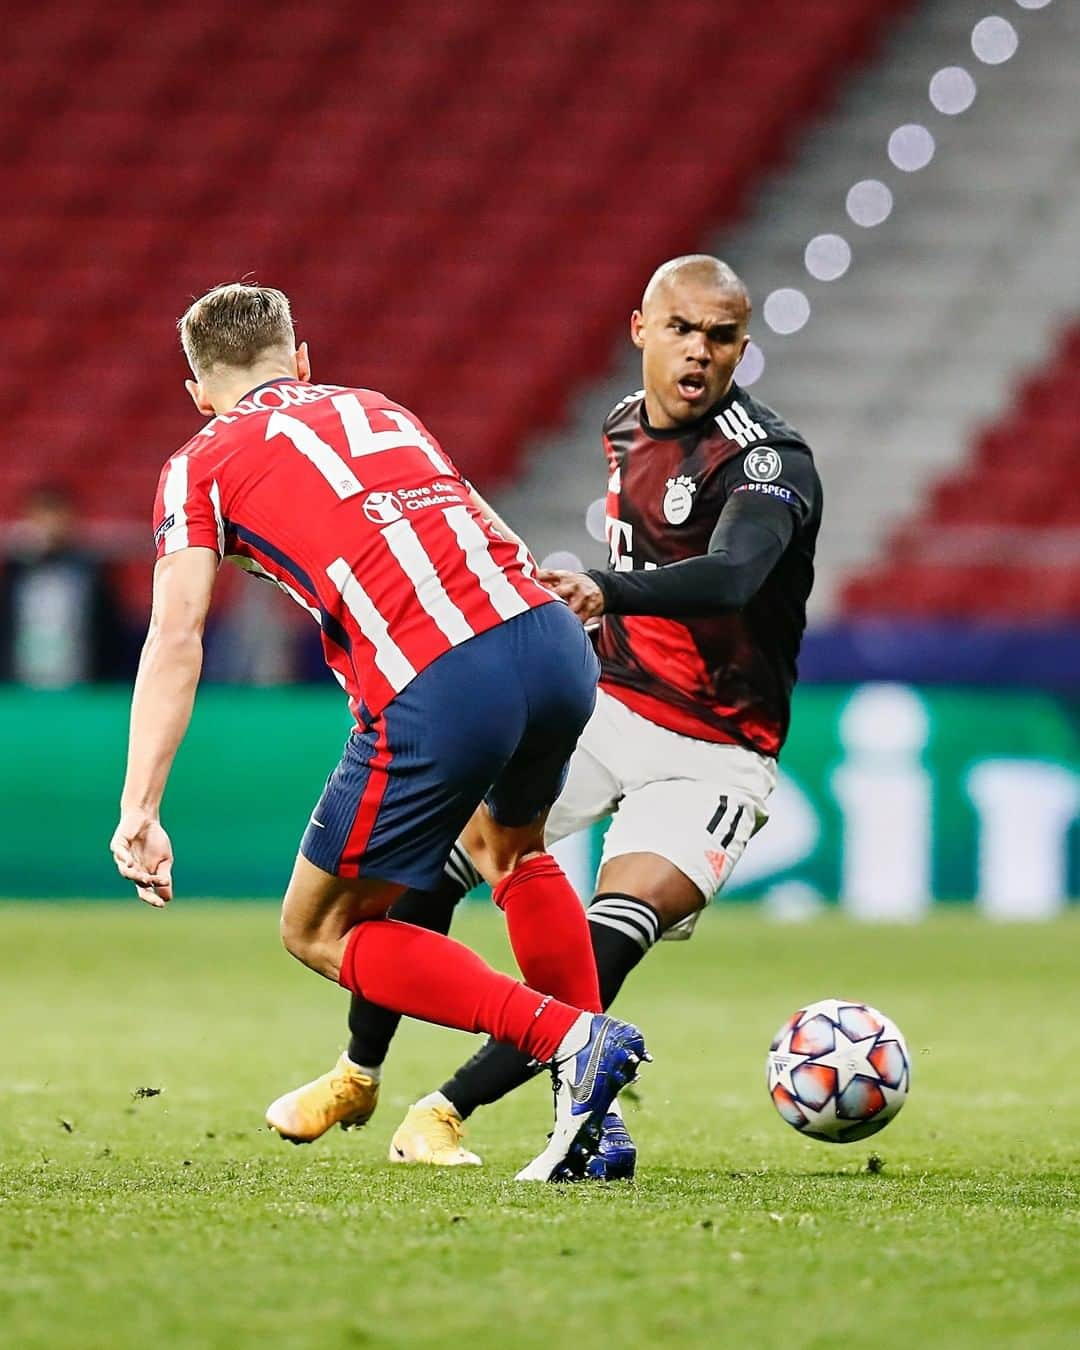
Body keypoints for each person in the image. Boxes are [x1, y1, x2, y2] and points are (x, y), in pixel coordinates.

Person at [267, 255, 823, 1179]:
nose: (700, 353)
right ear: (640, 328)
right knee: (426, 874)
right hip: (608, 708)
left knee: (611, 933)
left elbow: (735, 576)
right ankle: (356, 1072)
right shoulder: (619, 428)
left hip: (716, 749)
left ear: (742, 348)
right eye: (681, 329)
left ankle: (447, 1110)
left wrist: (603, 589)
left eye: (721, 338)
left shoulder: (769, 461)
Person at [108, 282, 649, 1183]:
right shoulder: (374, 406)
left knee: (319, 927)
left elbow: (176, 636)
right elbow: (474, 521)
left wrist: (140, 804)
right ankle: (593, 1121)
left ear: (199, 393)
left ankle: (570, 1040)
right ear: (302, 359)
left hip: (440, 679)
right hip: (549, 639)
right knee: (508, 846)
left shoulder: (198, 461)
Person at [0, 482, 133, 685]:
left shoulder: (92, 571)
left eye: (54, 515)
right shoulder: (15, 571)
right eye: (41, 516)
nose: (48, 525)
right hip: (21, 686)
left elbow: (108, 630)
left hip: (81, 685)